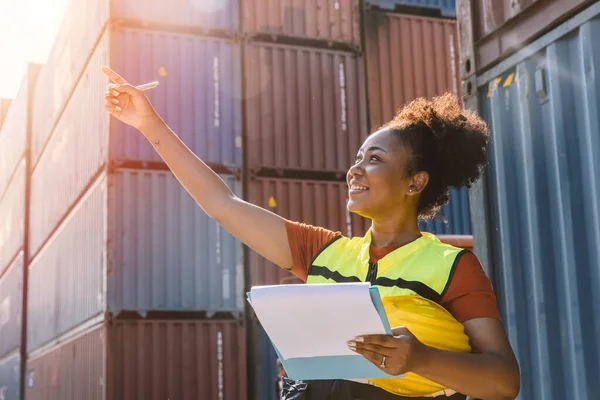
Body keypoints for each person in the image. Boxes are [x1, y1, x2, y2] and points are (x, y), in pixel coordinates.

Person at [101, 66, 520, 400]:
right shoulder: (323, 252)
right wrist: (147, 123)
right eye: (357, 157)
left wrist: (420, 358)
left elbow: (503, 381)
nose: (354, 170)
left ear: (415, 182)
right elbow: (222, 204)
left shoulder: (453, 267)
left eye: (374, 159)